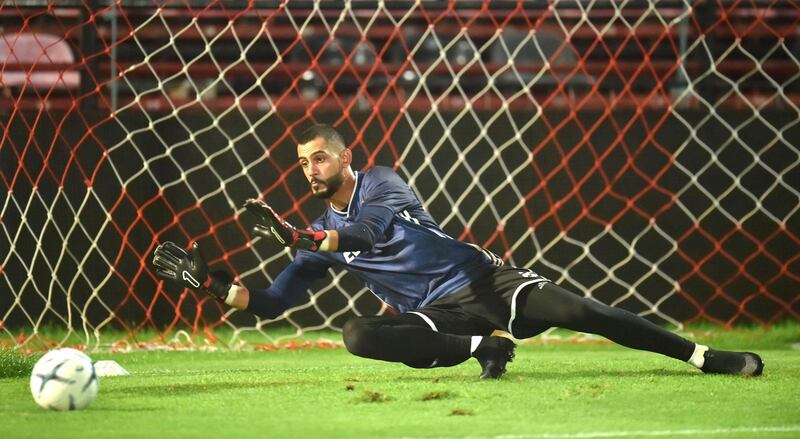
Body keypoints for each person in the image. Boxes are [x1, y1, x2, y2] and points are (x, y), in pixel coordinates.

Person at [152, 124, 764, 379]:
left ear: (342, 157)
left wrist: (299, 237)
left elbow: (368, 234)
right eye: (302, 162)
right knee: (358, 336)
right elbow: (272, 301)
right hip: (439, 318)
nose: (310, 168)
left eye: (319, 157)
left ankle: (705, 358)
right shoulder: (313, 233)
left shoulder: (382, 182)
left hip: (482, 280)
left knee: (586, 314)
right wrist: (212, 287)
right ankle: (485, 348)